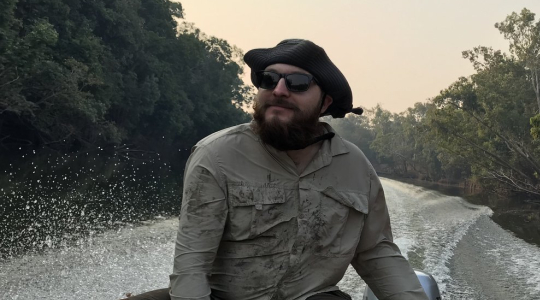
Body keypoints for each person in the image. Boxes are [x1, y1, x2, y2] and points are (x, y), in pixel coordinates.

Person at [126, 39, 427, 300]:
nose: (280, 90)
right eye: (269, 79)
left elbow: (376, 253)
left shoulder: (356, 168)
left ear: (325, 102)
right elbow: (192, 266)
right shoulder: (216, 156)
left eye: (297, 83)